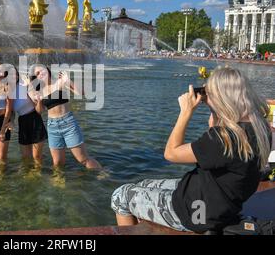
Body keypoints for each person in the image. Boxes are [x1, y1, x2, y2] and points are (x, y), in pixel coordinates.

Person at [111, 67, 272, 233]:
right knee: (144, 184)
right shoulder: (260, 128)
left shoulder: (224, 139)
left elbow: (171, 153)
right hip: (218, 204)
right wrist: (214, 108)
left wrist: (185, 112)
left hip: (197, 213)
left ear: (222, 97)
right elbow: (217, 143)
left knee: (120, 195)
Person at [31, 65, 101, 170]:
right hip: (52, 126)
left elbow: (81, 93)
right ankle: (60, 182)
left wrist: (68, 80)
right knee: (57, 163)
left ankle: (102, 172)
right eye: (37, 73)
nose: (40, 74)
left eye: (41, 70)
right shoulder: (40, 91)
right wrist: (39, 101)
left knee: (83, 159)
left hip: (68, 123)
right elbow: (39, 111)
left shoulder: (60, 82)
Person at [11, 67, 48, 165]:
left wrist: (38, 99)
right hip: (22, 122)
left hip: (35, 119)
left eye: (15, 74)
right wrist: (11, 121)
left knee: (37, 156)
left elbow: (40, 110)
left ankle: (38, 173)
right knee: (25, 156)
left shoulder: (25, 85)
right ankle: (28, 174)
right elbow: (12, 111)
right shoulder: (8, 91)